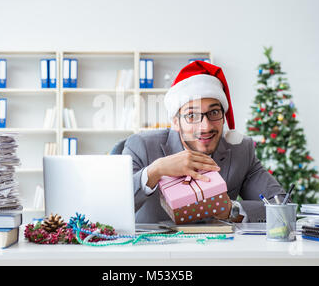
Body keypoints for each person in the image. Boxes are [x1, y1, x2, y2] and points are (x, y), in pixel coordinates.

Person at [122, 60, 286, 223]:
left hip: (218, 247)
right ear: (176, 122)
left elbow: (282, 207)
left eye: (214, 112)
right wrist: (154, 171)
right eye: (192, 115)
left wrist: (231, 210)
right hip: (156, 247)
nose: (206, 127)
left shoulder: (241, 150)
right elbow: (116, 207)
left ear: (224, 117)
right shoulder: (142, 146)